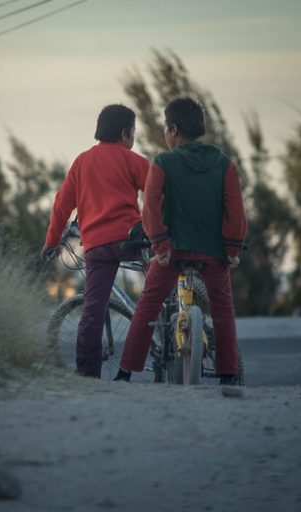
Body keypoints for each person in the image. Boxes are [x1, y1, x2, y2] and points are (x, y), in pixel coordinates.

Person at [114, 96, 247, 386]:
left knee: (148, 304)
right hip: (213, 252)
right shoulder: (225, 165)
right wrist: (233, 248)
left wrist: (160, 246)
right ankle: (228, 375)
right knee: (223, 309)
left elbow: (150, 205)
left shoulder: (164, 162)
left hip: (172, 251)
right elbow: (235, 211)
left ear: (173, 129)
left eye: (165, 127)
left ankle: (125, 373)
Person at [41, 104, 149, 378]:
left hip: (98, 247)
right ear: (125, 133)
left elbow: (62, 205)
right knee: (156, 286)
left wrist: (52, 241)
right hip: (131, 242)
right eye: (133, 132)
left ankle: (88, 374)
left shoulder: (82, 162)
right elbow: (159, 193)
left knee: (92, 311)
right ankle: (166, 328)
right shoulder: (133, 160)